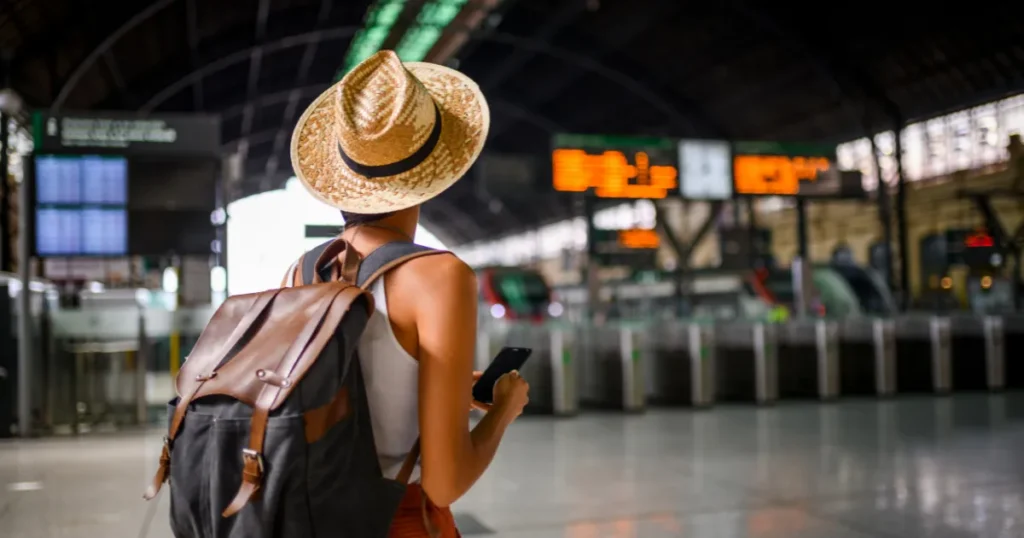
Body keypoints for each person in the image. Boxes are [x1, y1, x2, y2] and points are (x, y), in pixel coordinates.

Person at [289, 50, 530, 538]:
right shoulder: (440, 277)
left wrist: (441, 388)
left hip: (309, 518)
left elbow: (350, 397)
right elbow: (444, 484)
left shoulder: (301, 270)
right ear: (429, 178)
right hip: (396, 523)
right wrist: (504, 410)